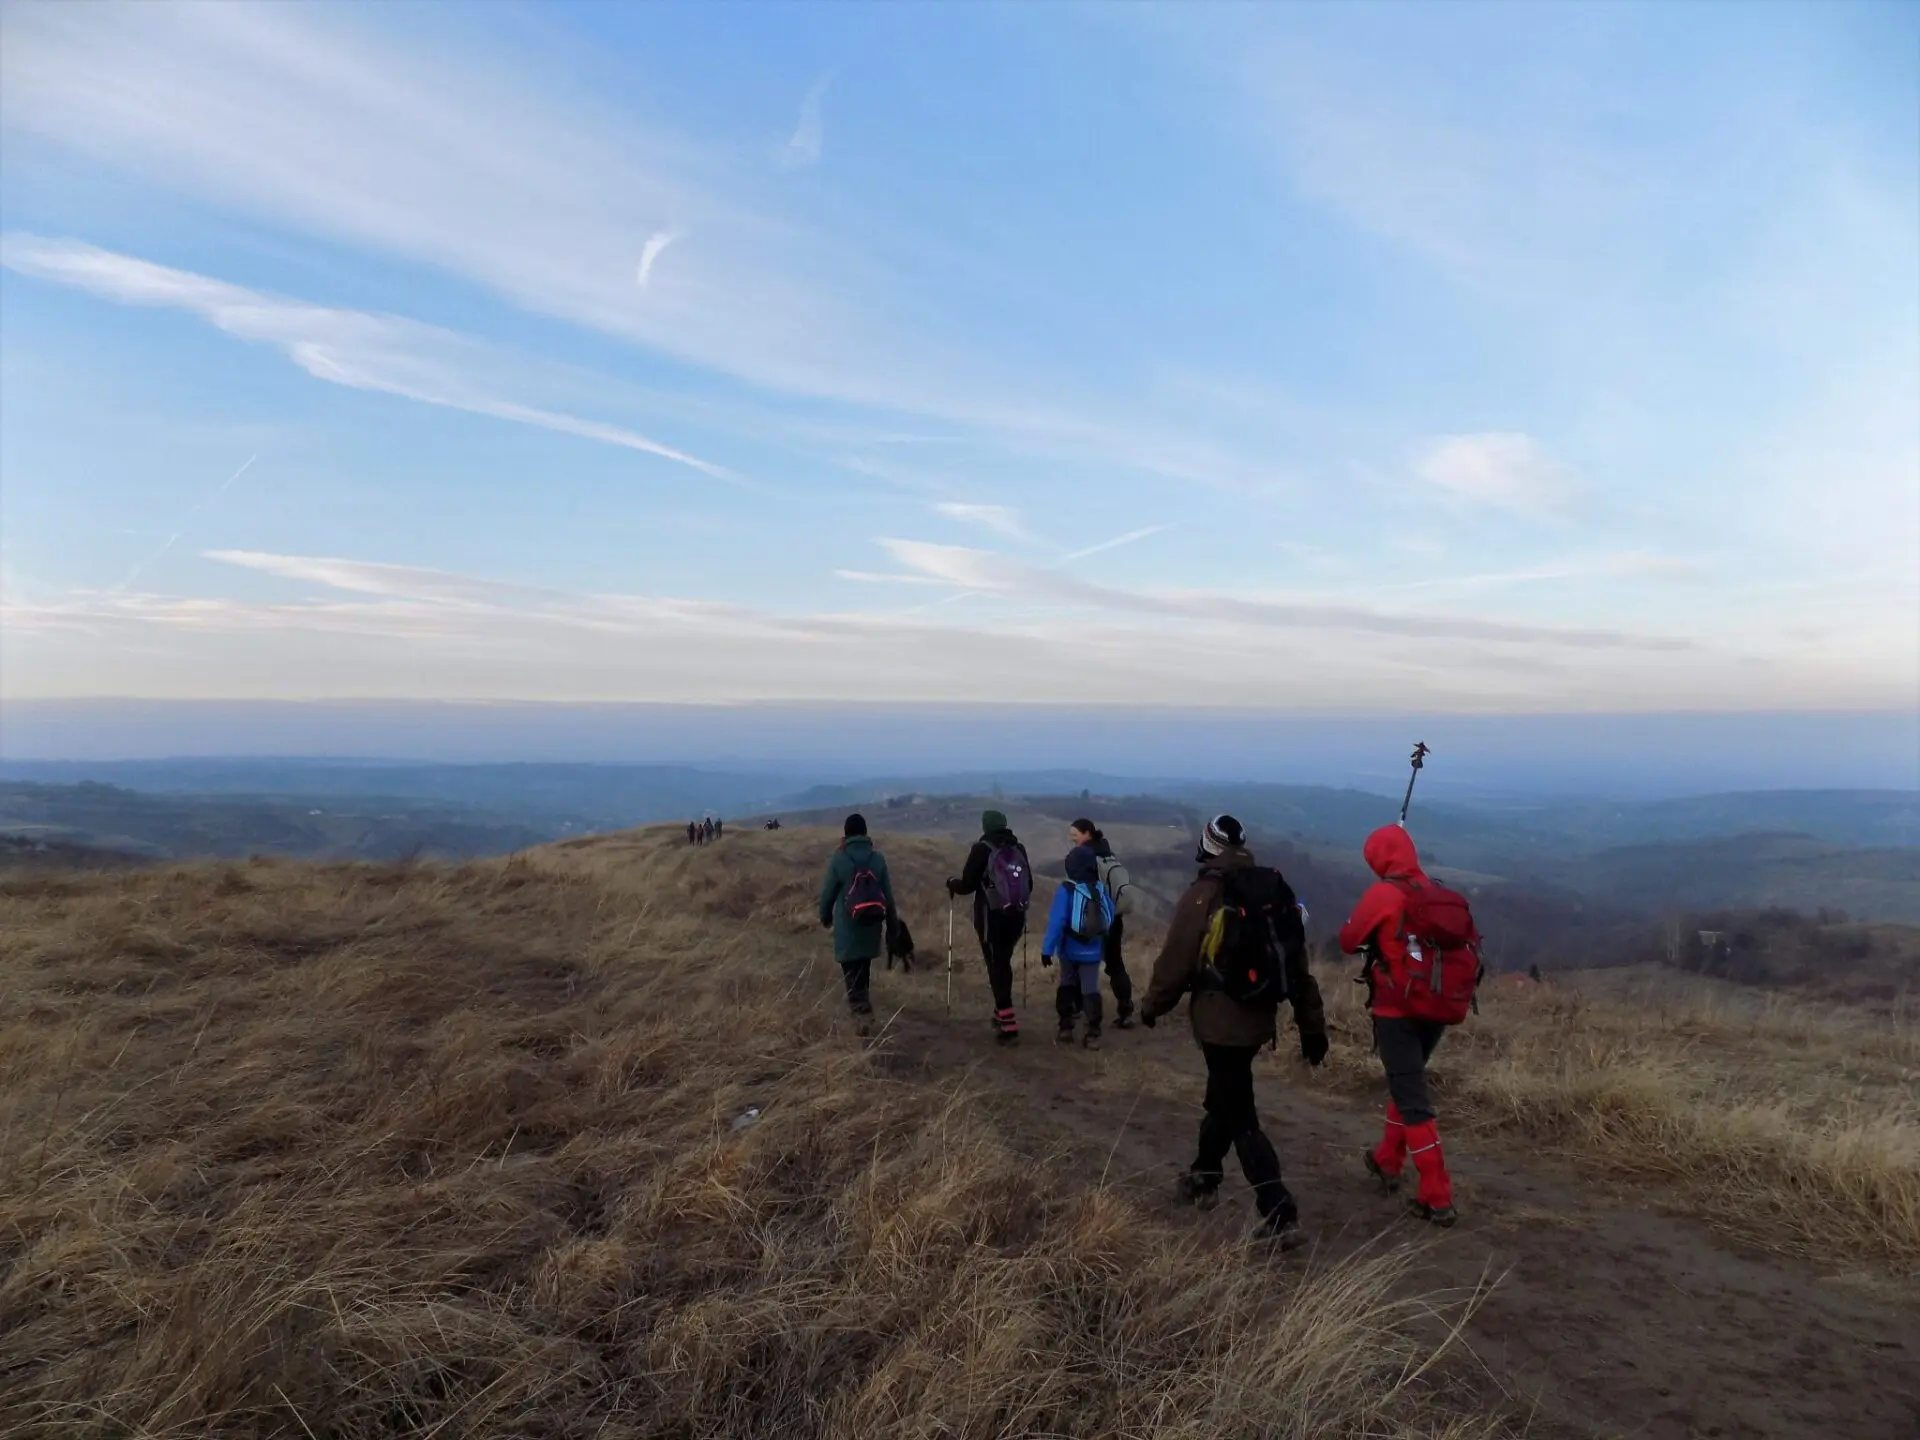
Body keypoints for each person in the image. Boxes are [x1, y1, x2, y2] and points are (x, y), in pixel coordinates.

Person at [1139, 814, 1326, 1250]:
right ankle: (1204, 1177)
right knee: (1225, 1098)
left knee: (1240, 1113)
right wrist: (1311, 1024)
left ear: (1207, 848)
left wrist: (1152, 1005)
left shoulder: (1204, 895)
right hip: (1258, 1018)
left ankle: (1280, 1210)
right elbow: (1296, 964)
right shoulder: (1273, 890)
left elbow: (1176, 961)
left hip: (1218, 1021)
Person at [1337, 824, 1459, 1227]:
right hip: (1437, 1007)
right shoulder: (1435, 891)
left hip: (1397, 1010)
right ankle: (1388, 1159)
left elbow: (1348, 939)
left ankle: (1436, 1194)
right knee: (1405, 1083)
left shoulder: (1384, 894)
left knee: (1413, 1100)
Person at [946, 809, 1031, 1043]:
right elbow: (1029, 884)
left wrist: (951, 884)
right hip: (1016, 916)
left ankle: (1008, 1023)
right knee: (1002, 961)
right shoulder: (1018, 848)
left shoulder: (982, 849)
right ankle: (1000, 1011)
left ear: (986, 826)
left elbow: (967, 884)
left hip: (990, 917)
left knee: (996, 964)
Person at [817, 814, 896, 1026]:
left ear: (846, 833)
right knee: (863, 970)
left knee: (851, 973)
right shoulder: (877, 859)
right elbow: (888, 896)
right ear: (865, 832)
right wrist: (893, 925)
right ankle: (863, 1011)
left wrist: (824, 916)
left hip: (847, 927)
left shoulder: (840, 858)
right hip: (872, 925)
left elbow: (827, 894)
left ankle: (862, 1016)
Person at [1040, 846, 1115, 1047]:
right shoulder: (1099, 888)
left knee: (1067, 984)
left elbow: (1057, 922)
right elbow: (1110, 916)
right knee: (1090, 988)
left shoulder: (1067, 889)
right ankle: (1093, 1032)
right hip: (1093, 950)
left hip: (1069, 949)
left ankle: (1066, 1027)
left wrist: (1047, 950)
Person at [1069, 819, 1136, 1028]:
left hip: (1093, 919)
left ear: (1087, 833)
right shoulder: (1108, 854)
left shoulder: (1085, 857)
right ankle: (1126, 1011)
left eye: (1075, 834)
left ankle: (1078, 1008)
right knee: (1116, 965)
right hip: (1114, 918)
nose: (1072, 838)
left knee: (1081, 963)